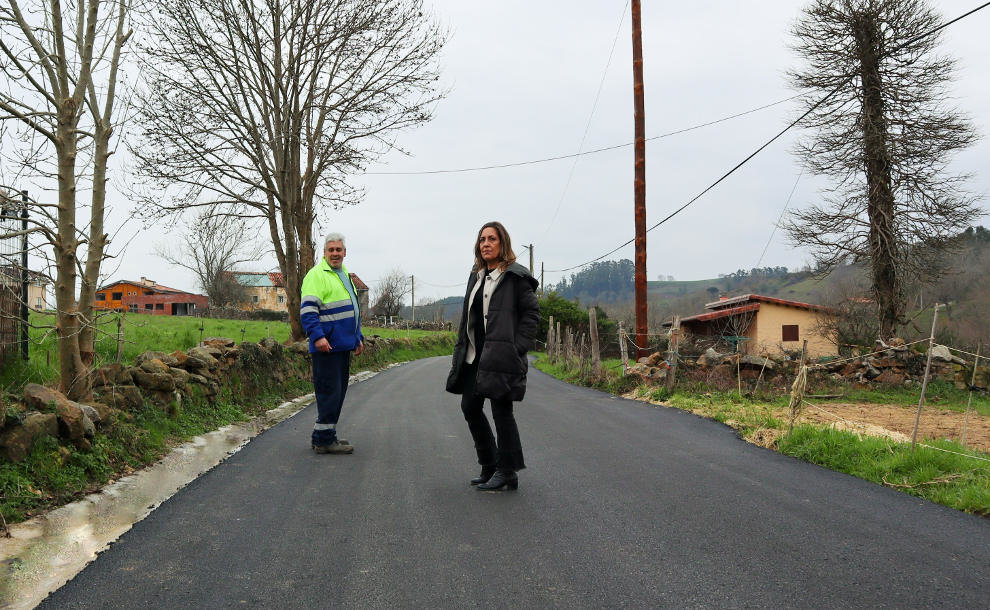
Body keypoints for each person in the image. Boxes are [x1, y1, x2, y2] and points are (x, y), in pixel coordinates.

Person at [446, 221, 540, 491]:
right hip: (475, 356)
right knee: (470, 407)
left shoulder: (514, 277)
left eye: (492, 239)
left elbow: (532, 314)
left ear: (503, 244)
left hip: (502, 355)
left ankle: (508, 471)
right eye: (482, 239)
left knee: (501, 411)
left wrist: (517, 347)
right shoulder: (476, 276)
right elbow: (469, 317)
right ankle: (489, 464)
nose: (485, 244)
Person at [301, 232, 365, 454]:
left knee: (337, 392)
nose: (335, 254)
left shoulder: (343, 274)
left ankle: (325, 435)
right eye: (331, 250)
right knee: (329, 392)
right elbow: (308, 310)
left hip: (342, 345)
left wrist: (358, 337)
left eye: (339, 250)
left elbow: (354, 309)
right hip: (326, 346)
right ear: (325, 253)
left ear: (345, 252)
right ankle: (323, 441)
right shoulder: (316, 275)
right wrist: (317, 337)